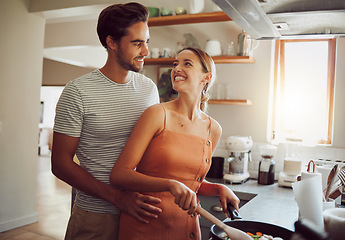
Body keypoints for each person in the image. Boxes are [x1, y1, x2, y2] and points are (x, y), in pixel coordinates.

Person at [51, 3, 162, 240]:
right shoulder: (78, 92)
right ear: (111, 42)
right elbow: (60, 164)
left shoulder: (149, 89)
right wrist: (118, 198)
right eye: (137, 43)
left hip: (140, 214)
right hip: (96, 217)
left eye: (147, 42)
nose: (146, 52)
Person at [110, 47, 244, 240]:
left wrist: (219, 188)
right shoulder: (157, 114)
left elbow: (191, 183)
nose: (176, 68)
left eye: (186, 64)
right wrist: (170, 184)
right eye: (175, 64)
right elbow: (119, 175)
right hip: (145, 225)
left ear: (206, 77)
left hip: (186, 227)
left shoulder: (213, 129)